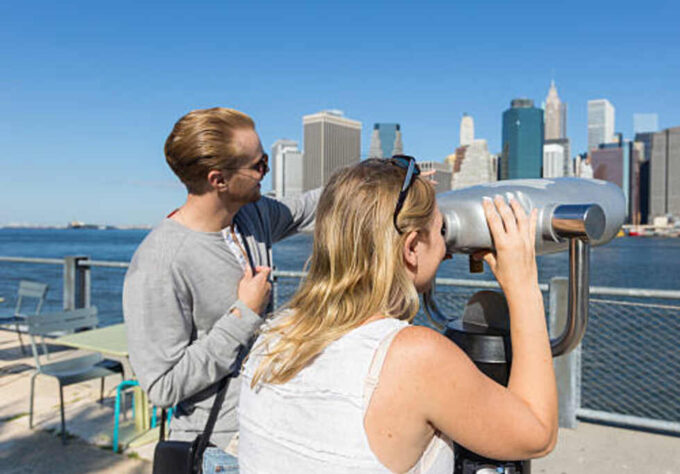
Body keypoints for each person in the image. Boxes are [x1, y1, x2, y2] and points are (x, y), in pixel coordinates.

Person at [237, 157, 557, 473]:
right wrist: (523, 285)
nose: (446, 248)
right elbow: (538, 435)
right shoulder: (414, 356)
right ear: (411, 247)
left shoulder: (275, 331)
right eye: (440, 230)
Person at [123, 107, 319, 469]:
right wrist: (243, 314)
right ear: (219, 180)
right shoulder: (159, 262)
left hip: (268, 428)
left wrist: (379, 176)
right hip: (219, 450)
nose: (266, 173)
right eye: (259, 165)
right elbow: (163, 386)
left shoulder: (251, 217)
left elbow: (309, 208)